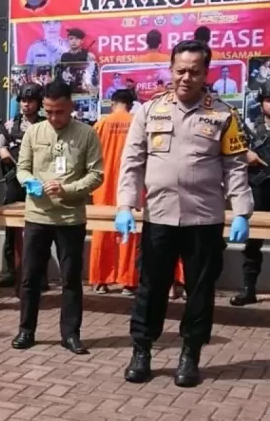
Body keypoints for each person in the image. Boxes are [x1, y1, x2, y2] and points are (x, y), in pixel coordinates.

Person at [115, 40, 253, 388]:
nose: (186, 78)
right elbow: (132, 161)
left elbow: (235, 166)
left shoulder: (223, 114)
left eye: (194, 71)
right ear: (170, 70)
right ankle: (142, 350)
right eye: (180, 70)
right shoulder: (149, 111)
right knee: (151, 287)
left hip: (203, 220)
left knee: (200, 290)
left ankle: (190, 354)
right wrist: (124, 205)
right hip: (159, 217)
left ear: (206, 73)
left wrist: (241, 211)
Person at [13, 80, 104, 354]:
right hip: (37, 215)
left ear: (70, 106)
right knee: (30, 277)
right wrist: (29, 182)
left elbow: (96, 174)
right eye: (49, 111)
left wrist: (69, 189)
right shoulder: (34, 132)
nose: (54, 117)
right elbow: (22, 168)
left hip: (70, 218)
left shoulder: (87, 134)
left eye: (59, 112)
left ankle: (71, 334)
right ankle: (26, 330)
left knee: (71, 279)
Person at [88, 89, 137, 295]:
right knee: (130, 232)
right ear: (131, 104)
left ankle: (100, 279)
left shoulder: (101, 124)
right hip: (131, 186)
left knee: (102, 231)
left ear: (112, 103)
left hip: (103, 186)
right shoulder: (137, 123)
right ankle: (128, 281)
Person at [0, 83, 45, 288]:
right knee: (11, 228)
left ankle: (38, 275)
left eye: (30, 101)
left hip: (38, 183)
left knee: (39, 230)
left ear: (38, 103)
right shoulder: (9, 126)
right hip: (15, 183)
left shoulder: (46, 125)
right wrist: (3, 152)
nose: (26, 105)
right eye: (23, 101)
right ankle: (10, 271)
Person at [231, 80, 270, 306]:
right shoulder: (252, 127)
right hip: (258, 187)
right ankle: (249, 289)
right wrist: (246, 153)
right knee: (253, 242)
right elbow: (233, 148)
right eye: (268, 100)